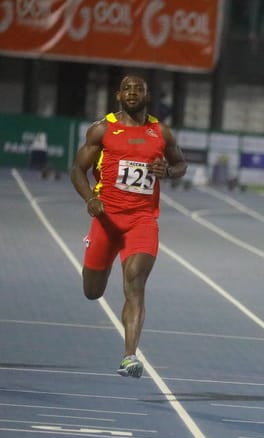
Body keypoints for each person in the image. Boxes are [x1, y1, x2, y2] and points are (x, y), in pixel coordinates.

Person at [70, 74, 187, 378]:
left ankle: (129, 356)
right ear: (118, 96)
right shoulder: (102, 129)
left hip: (142, 220)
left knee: (135, 282)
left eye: (139, 89)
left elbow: (181, 164)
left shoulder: (160, 131)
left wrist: (169, 172)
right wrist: (89, 200)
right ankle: (101, 266)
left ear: (148, 96)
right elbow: (78, 170)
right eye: (128, 89)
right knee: (92, 291)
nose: (133, 93)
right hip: (106, 219)